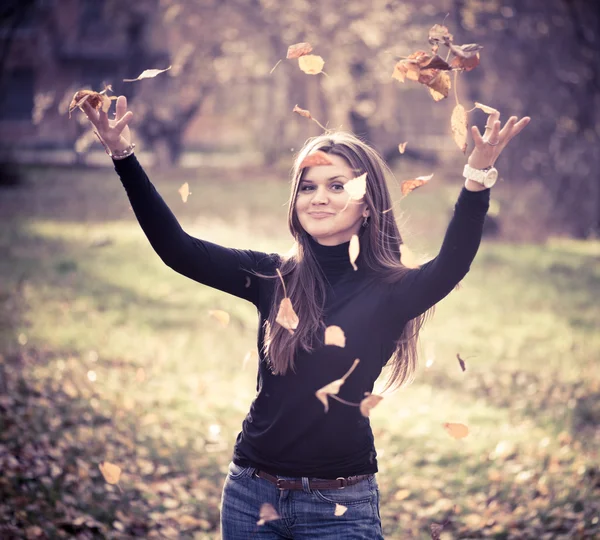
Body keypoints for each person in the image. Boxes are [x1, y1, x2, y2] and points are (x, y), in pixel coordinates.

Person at [82, 96, 529, 539]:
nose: (318, 198)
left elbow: (452, 263)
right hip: (250, 496)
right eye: (309, 186)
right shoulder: (272, 276)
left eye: (338, 186)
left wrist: (477, 176)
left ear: (368, 204)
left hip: (340, 508)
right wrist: (123, 155)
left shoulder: (392, 291)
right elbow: (177, 249)